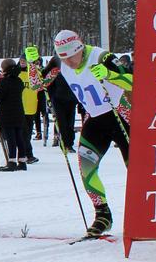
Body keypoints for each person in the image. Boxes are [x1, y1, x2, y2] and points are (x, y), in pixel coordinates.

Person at [26, 31, 132, 237]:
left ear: (80, 49)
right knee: (86, 169)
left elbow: (133, 81)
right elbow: (37, 85)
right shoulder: (59, 62)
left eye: (71, 57)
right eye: (64, 57)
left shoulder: (101, 57)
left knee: (137, 170)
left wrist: (110, 75)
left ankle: (151, 211)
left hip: (121, 116)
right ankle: (103, 215)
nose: (69, 62)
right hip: (95, 119)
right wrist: (32, 64)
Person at [0, 59, 29, 171]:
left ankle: (12, 162)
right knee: (19, 137)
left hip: (8, 113)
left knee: (11, 138)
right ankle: (22, 162)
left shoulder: (5, 81)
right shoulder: (19, 80)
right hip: (19, 112)